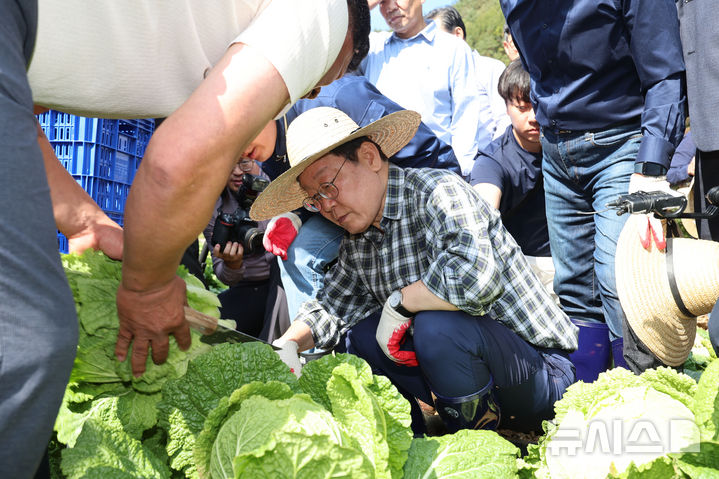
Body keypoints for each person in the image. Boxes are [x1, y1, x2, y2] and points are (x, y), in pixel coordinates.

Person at [2, 1, 370, 476]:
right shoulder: (324, 11)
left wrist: (82, 220)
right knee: (26, 344)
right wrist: (147, 287)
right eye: (329, 75)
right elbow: (179, 162)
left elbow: (20, 110)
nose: (315, 86)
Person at [250, 107, 578, 435]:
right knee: (361, 336)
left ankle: (480, 444)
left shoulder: (438, 193)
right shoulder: (358, 240)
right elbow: (332, 307)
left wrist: (400, 301)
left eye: (328, 187)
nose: (327, 206)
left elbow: (477, 280)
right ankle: (415, 442)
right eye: (314, 200)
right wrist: (288, 344)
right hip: (476, 376)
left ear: (369, 157)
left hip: (539, 371)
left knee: (436, 327)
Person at [500, 0, 687, 376]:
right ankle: (590, 397)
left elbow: (665, 74)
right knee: (573, 289)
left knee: (624, 280)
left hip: (622, 142)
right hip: (556, 152)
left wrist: (650, 169)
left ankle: (645, 399)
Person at [260, 74, 460, 321]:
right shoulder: (267, 154)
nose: (238, 154)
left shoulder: (341, 98)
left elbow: (429, 154)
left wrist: (413, 220)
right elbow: (317, 190)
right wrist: (296, 215)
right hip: (361, 213)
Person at [358, 0, 483, 176]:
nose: (391, 7)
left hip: (439, 170)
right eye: (383, 2)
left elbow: (465, 116)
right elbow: (335, 42)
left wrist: (461, 173)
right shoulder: (372, 50)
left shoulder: (453, 48)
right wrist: (364, 4)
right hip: (384, 175)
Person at [469, 60, 558, 305]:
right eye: (522, 107)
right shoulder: (493, 161)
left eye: (539, 106)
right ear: (507, 106)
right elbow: (481, 214)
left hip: (572, 261)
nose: (533, 118)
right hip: (520, 270)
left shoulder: (571, 147)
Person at [203, 158, 289, 338]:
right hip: (249, 287)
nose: (236, 172)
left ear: (259, 159)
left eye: (244, 162)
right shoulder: (214, 208)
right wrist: (232, 265)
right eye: (229, 164)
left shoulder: (278, 185)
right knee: (213, 329)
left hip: (285, 280)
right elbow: (225, 276)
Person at [425, 6, 511, 145]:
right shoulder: (435, 79)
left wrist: (489, 160)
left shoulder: (490, 68)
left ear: (458, 34)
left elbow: (505, 120)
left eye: (437, 39)